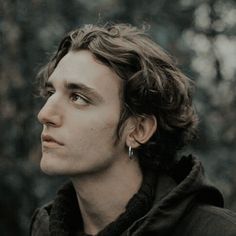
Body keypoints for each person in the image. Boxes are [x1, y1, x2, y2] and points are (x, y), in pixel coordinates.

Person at [30, 23, 236, 236]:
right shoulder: (44, 229)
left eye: (78, 98)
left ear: (138, 130)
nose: (45, 114)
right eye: (51, 92)